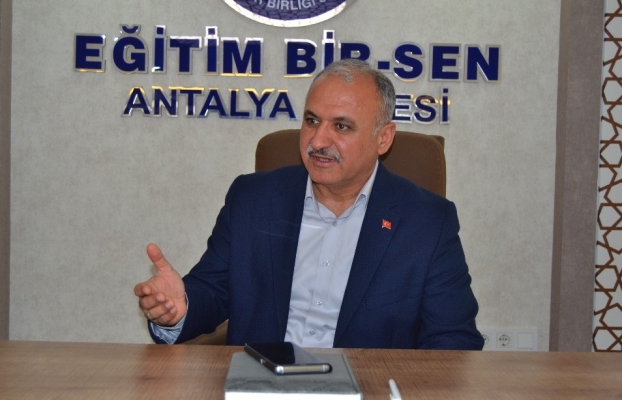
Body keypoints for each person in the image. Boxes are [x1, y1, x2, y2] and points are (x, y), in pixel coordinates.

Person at [134, 59, 484, 350]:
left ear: (383, 138)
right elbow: (212, 291)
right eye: (312, 120)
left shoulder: (427, 222)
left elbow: (454, 339)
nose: (317, 140)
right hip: (264, 386)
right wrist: (178, 309)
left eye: (341, 126)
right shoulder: (252, 200)